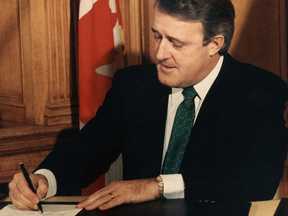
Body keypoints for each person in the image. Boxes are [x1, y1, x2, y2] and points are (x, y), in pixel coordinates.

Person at [8, 0, 288, 212]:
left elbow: (254, 181)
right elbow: (87, 150)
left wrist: (156, 186)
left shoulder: (260, 91)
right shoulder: (133, 84)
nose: (159, 53)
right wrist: (44, 179)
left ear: (214, 44)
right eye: (157, 36)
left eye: (176, 44)